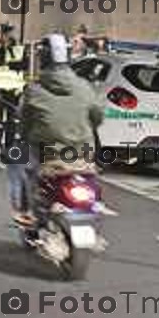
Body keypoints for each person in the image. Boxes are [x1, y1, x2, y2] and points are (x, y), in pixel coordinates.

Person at [21, 33, 104, 232]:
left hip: (49, 154)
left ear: (44, 59)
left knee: (22, 169)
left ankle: (29, 215)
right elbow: (98, 116)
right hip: (82, 153)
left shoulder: (34, 89)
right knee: (92, 181)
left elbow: (25, 121)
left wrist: (24, 136)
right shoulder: (84, 87)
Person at [0, 23, 27, 153]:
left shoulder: (20, 48)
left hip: (15, 89)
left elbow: (24, 64)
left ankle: (9, 145)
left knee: (12, 120)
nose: (9, 36)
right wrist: (4, 48)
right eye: (6, 33)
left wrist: (9, 64)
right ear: (2, 35)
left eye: (11, 33)